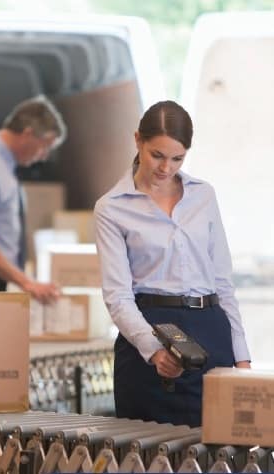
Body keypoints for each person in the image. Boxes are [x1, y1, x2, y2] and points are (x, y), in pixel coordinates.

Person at [94, 100, 251, 427]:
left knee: (218, 445)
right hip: (150, 333)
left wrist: (242, 357)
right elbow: (118, 296)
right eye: (157, 155)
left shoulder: (203, 195)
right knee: (147, 448)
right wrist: (153, 349)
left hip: (211, 333)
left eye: (177, 158)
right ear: (138, 141)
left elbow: (223, 283)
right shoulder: (111, 208)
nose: (166, 168)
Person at [0, 96, 67, 304]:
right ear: (28, 134)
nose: (44, 156)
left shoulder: (3, 165)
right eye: (45, 146)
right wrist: (27, 283)